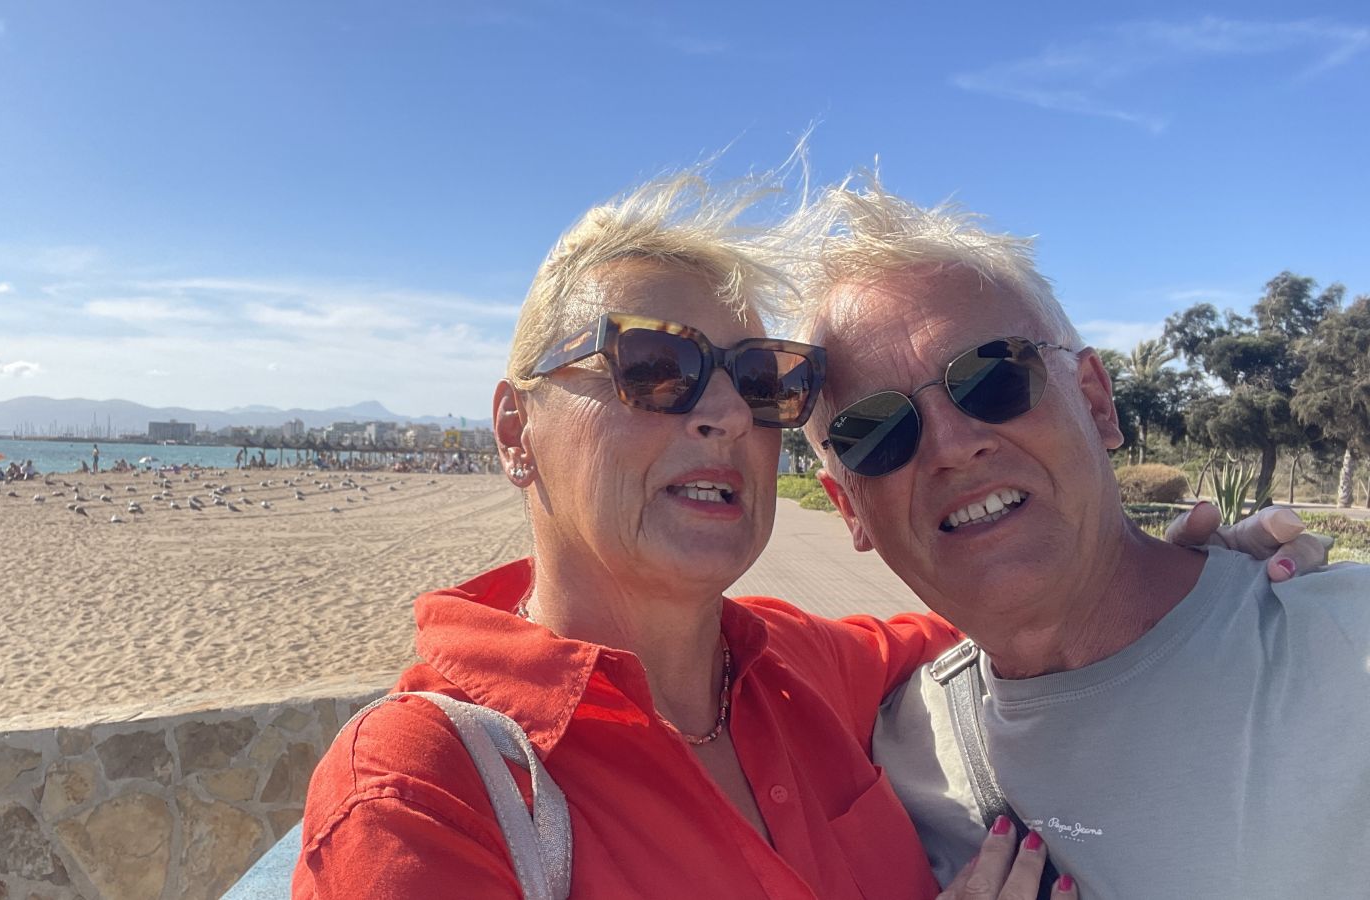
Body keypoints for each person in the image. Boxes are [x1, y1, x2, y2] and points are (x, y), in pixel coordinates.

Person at [295, 173, 1082, 899]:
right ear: (516, 430)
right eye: (655, 366)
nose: (730, 414)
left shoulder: (790, 662)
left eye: (761, 382)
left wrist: (1143, 570)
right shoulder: (420, 788)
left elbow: (965, 619)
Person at [787, 178, 1368, 897]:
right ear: (850, 511)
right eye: (875, 433)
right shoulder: (900, 757)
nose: (951, 446)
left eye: (992, 377)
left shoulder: (1346, 647)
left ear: (1095, 400)